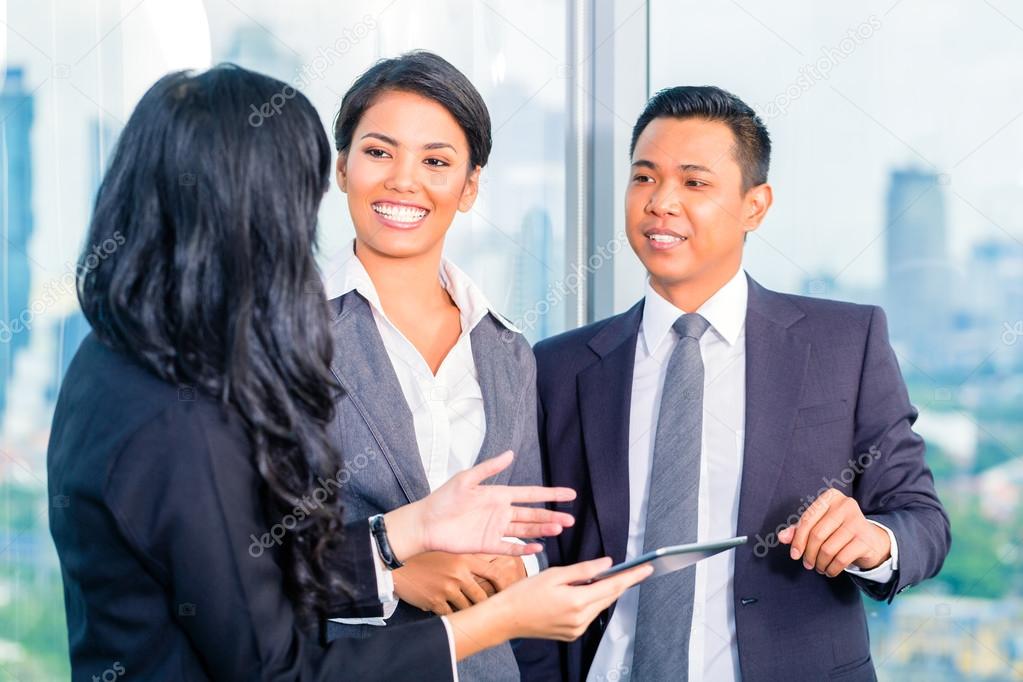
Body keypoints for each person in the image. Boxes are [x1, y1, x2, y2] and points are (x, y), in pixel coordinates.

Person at [47, 64, 651, 682]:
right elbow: (275, 663)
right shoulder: (194, 408)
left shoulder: (114, 355)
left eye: (436, 160)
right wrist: (491, 616)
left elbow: (241, 565)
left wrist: (407, 529)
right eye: (297, 198)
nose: (302, 226)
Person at [521, 86, 951, 681]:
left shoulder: (844, 343)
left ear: (755, 205)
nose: (661, 202)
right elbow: (538, 561)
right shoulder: (559, 367)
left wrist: (874, 539)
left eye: (694, 183)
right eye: (644, 178)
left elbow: (922, 518)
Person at [322, 51, 548, 681]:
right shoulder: (282, 333)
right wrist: (391, 573)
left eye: (436, 161)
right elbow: (242, 552)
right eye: (378, 152)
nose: (403, 180)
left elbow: (528, 529)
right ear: (343, 167)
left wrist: (513, 569)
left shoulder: (508, 351)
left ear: (469, 186)